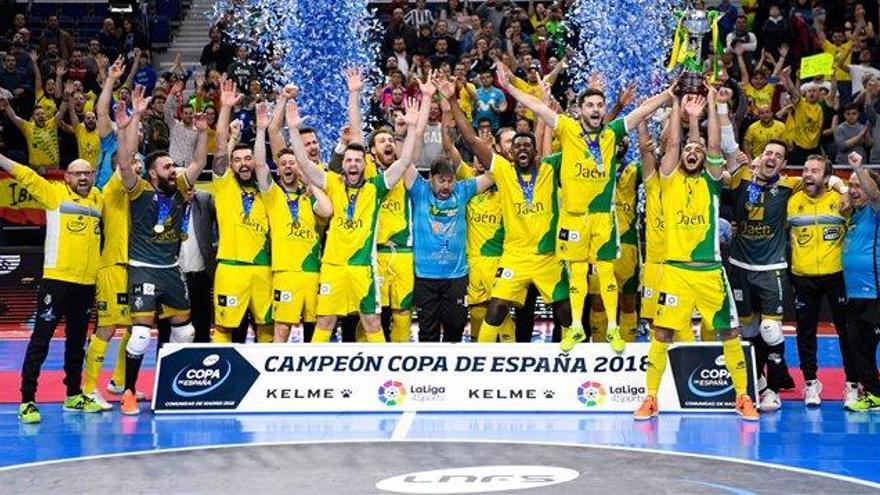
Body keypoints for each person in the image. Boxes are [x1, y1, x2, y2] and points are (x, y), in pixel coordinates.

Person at [496, 61, 673, 353]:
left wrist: (669, 93)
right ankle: (576, 327)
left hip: (603, 218)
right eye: (589, 104)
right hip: (573, 218)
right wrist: (510, 87)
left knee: (605, 272)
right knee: (577, 272)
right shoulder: (566, 128)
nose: (594, 109)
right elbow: (538, 109)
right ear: (579, 110)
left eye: (599, 105)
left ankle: (614, 331)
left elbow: (642, 111)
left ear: (604, 110)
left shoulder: (612, 132)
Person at [634, 88, 758, 421]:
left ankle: (743, 397)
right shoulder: (669, 178)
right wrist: (677, 104)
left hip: (710, 272)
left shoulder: (713, 181)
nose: (692, 151)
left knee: (729, 332)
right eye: (688, 148)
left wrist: (716, 106)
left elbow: (714, 143)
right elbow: (672, 144)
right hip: (675, 272)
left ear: (705, 159)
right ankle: (650, 398)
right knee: (661, 334)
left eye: (697, 150)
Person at [291, 84, 423, 344]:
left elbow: (404, 161)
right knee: (325, 321)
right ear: (344, 164)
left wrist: (409, 130)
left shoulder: (376, 188)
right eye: (349, 160)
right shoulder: (333, 182)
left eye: (358, 160)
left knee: (372, 321)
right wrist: (294, 128)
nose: (353, 164)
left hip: (363, 268)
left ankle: (383, 374)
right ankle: (310, 378)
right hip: (333, 267)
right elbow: (304, 163)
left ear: (366, 164)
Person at [115, 85, 208, 415]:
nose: (175, 170)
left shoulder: (182, 187)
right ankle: (128, 391)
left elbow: (198, 160)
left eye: (174, 166)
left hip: (172, 269)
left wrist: (201, 132)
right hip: (142, 267)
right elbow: (125, 162)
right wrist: (135, 117)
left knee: (186, 329)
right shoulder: (138, 190)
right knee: (140, 333)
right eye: (169, 167)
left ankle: (170, 386)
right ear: (154, 172)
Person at [0, 152, 103, 423]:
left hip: (86, 284)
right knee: (41, 341)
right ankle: (27, 400)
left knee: (77, 342)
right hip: (56, 282)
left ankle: (73, 394)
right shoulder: (53, 193)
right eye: (77, 173)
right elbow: (25, 174)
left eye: (87, 173)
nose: (83, 177)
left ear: (93, 175)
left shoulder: (98, 199)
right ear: (67, 176)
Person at [726, 140, 801, 412]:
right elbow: (725, 149)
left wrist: (839, 186)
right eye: (769, 153)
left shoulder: (789, 185)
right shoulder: (741, 179)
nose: (772, 158)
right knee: (746, 329)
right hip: (740, 266)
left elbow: (820, 181)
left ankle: (774, 389)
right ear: (760, 157)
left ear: (782, 165)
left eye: (778, 156)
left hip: (771, 269)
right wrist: (721, 102)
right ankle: (756, 381)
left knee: (770, 329)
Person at [255, 103, 332, 343]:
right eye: (284, 164)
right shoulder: (273, 195)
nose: (289, 166)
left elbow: (328, 210)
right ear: (278, 170)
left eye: (293, 163)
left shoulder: (311, 197)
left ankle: (311, 378)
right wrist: (260, 130)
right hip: (285, 272)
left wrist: (309, 181)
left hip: (312, 271)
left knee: (316, 327)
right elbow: (259, 165)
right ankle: (276, 378)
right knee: (282, 329)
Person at [787, 155, 858, 407]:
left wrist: (843, 188)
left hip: (836, 276)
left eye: (815, 171)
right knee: (805, 333)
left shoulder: (840, 201)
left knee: (846, 331)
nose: (808, 174)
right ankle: (810, 383)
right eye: (805, 169)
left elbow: (857, 198)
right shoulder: (792, 202)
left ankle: (852, 384)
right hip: (802, 278)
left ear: (826, 176)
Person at [210, 80, 274, 344]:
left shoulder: (268, 192)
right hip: (230, 268)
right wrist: (225, 109)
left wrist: (261, 131)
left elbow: (263, 163)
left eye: (248, 159)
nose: (244, 164)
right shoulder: (224, 186)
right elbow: (220, 147)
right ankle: (223, 380)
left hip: (263, 269)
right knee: (224, 329)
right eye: (238, 160)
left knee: (267, 329)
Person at [408, 159, 494, 342]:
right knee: (427, 331)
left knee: (456, 328)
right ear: (431, 178)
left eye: (450, 181)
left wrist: (488, 155)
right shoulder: (419, 190)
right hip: (425, 277)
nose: (446, 186)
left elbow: (493, 175)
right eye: (441, 180)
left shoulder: (462, 190)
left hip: (456, 277)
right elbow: (404, 161)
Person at [840, 152, 880, 412]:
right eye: (851, 185)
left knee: (866, 345)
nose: (854, 190)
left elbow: (875, 194)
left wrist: (858, 167)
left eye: (858, 185)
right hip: (854, 294)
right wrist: (844, 191)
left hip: (875, 292)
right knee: (858, 345)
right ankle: (875, 394)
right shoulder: (853, 215)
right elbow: (836, 185)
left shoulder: (875, 212)